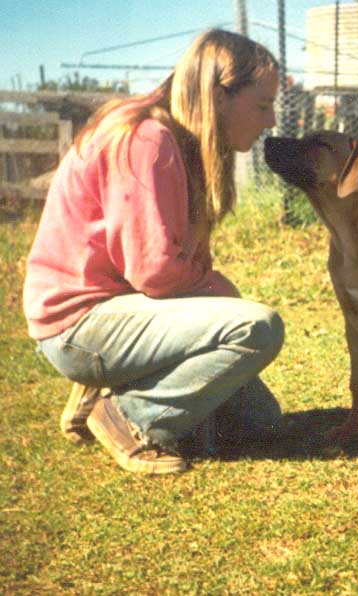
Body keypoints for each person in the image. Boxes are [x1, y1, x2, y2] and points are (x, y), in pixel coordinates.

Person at [22, 29, 285, 475]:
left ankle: (113, 385)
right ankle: (130, 417)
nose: (271, 120)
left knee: (260, 422)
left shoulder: (180, 138)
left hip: (123, 313)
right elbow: (156, 272)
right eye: (262, 105)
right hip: (80, 323)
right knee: (257, 327)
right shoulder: (148, 138)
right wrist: (221, 292)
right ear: (220, 97)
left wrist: (216, 292)